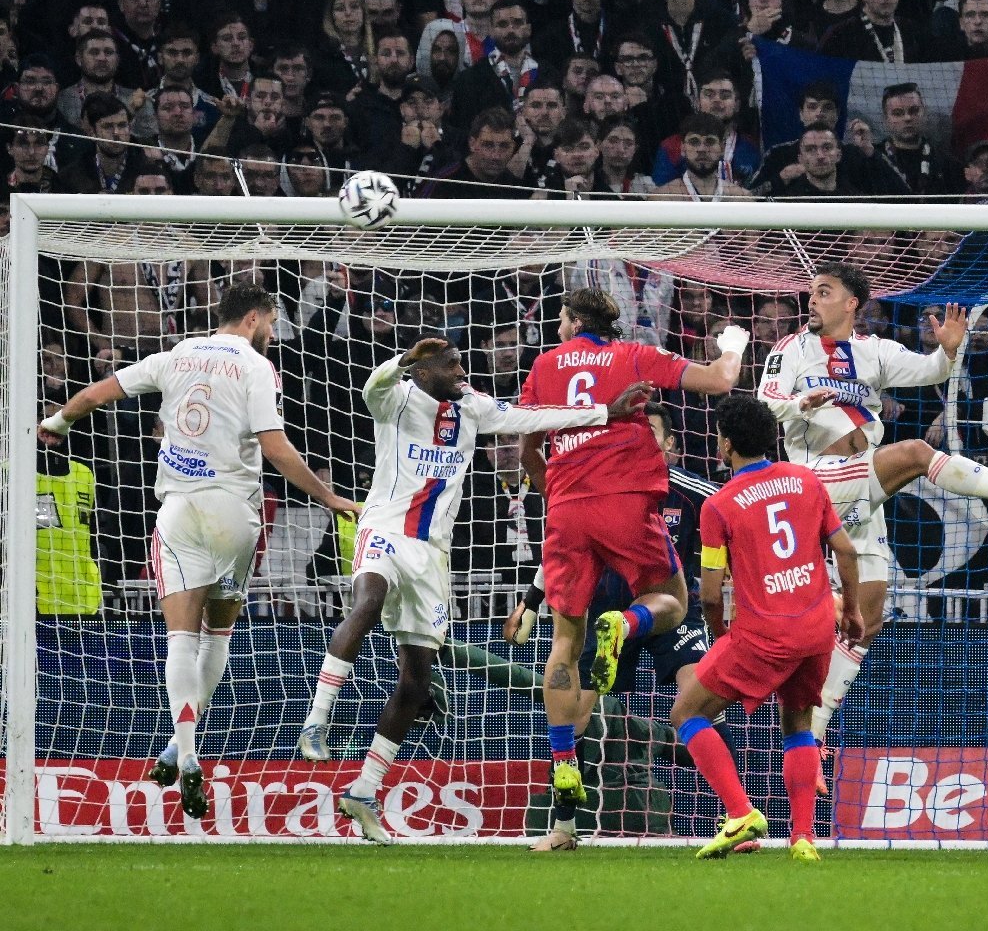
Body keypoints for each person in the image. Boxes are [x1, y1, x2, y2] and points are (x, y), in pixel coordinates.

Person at [295, 336, 637, 844]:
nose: (461, 371)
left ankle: (364, 791)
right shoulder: (396, 399)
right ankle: (316, 721)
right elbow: (371, 387)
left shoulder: (472, 407)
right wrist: (403, 359)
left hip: (433, 554)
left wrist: (606, 410)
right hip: (384, 529)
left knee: (417, 683)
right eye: (451, 364)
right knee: (367, 602)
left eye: (461, 363)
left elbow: (534, 416)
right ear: (422, 370)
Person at [35, 284, 359, 817]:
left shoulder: (174, 356)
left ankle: (185, 753)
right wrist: (327, 496)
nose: (271, 334)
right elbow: (274, 445)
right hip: (235, 518)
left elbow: (94, 395)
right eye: (270, 324)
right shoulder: (256, 367)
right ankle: (176, 750)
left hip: (179, 514)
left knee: (180, 640)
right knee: (218, 634)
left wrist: (57, 422)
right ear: (253, 318)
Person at [758, 263, 988, 791]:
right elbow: (765, 404)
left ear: (852, 303)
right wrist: (798, 403)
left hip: (861, 495)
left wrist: (950, 351)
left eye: (824, 292)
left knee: (865, 621)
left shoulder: (876, 351)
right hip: (814, 478)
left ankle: (811, 736)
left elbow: (931, 372)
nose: (812, 300)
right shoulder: (791, 349)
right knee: (912, 452)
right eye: (811, 292)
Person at [517, 288, 746, 812]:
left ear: (576, 322)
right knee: (675, 603)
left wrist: (555, 493)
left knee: (564, 643)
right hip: (626, 500)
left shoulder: (544, 366)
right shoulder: (634, 355)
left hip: (567, 509)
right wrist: (733, 342)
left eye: (561, 319)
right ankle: (626, 623)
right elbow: (720, 380)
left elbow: (526, 447)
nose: (558, 328)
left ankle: (563, 762)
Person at [670, 394, 861, 860]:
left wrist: (720, 634)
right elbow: (846, 550)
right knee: (798, 724)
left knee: (686, 713)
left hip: (764, 635)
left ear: (726, 444)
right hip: (816, 629)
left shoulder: (719, 506)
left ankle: (740, 812)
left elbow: (710, 593)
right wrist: (853, 611)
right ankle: (803, 839)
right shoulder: (806, 480)